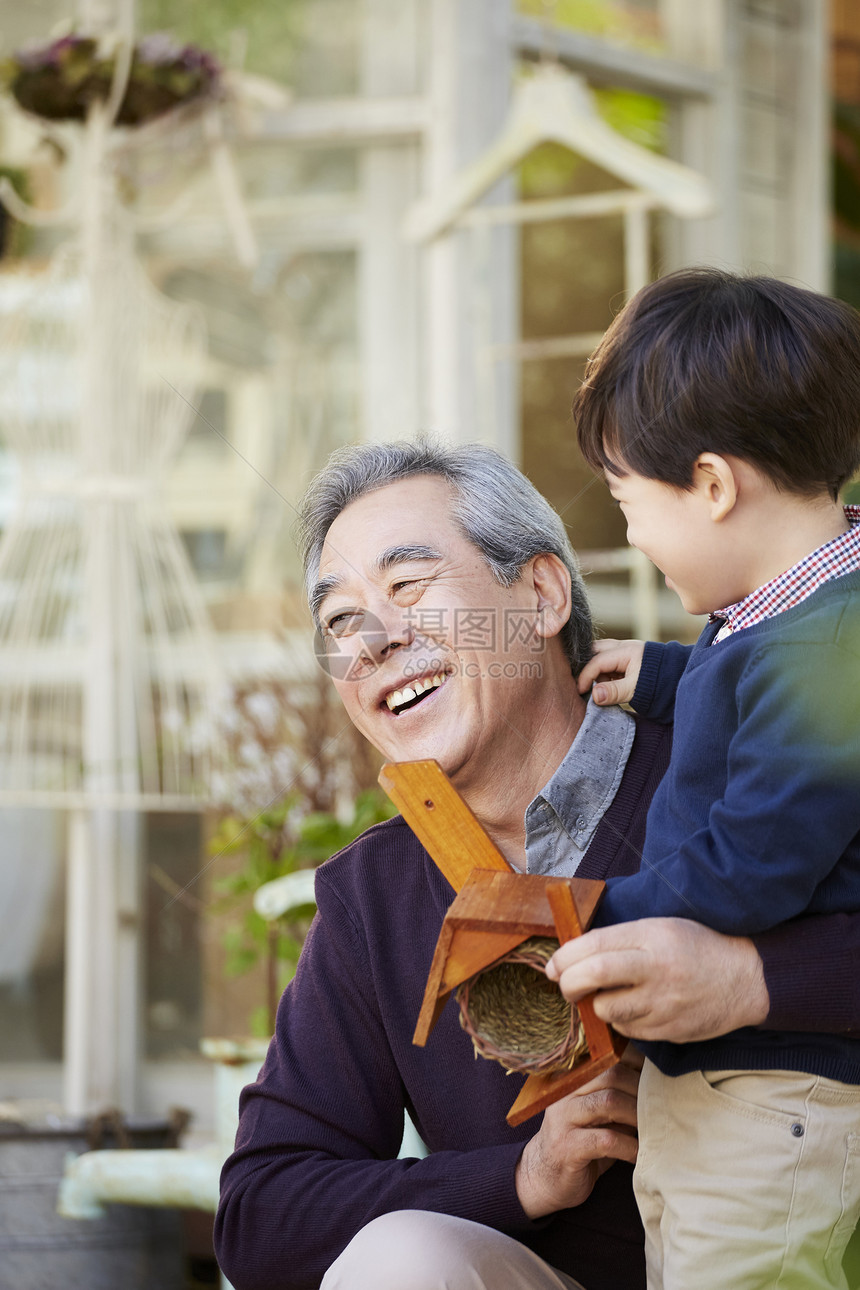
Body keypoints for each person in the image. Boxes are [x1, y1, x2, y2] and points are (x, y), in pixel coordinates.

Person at [214, 440, 860, 1290]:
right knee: (403, 1264)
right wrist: (523, 1178)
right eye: (340, 620)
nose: (372, 640)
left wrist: (747, 983)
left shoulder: (738, 771)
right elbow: (262, 1212)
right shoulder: (373, 897)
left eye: (409, 585)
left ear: (544, 592)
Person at [550, 267, 860, 1290]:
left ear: (713, 485)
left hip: (772, 1095)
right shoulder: (787, 615)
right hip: (738, 1084)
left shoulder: (821, 650)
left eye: (628, 499)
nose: (630, 532)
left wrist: (591, 918)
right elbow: (768, 716)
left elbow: (749, 866)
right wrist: (672, 674)